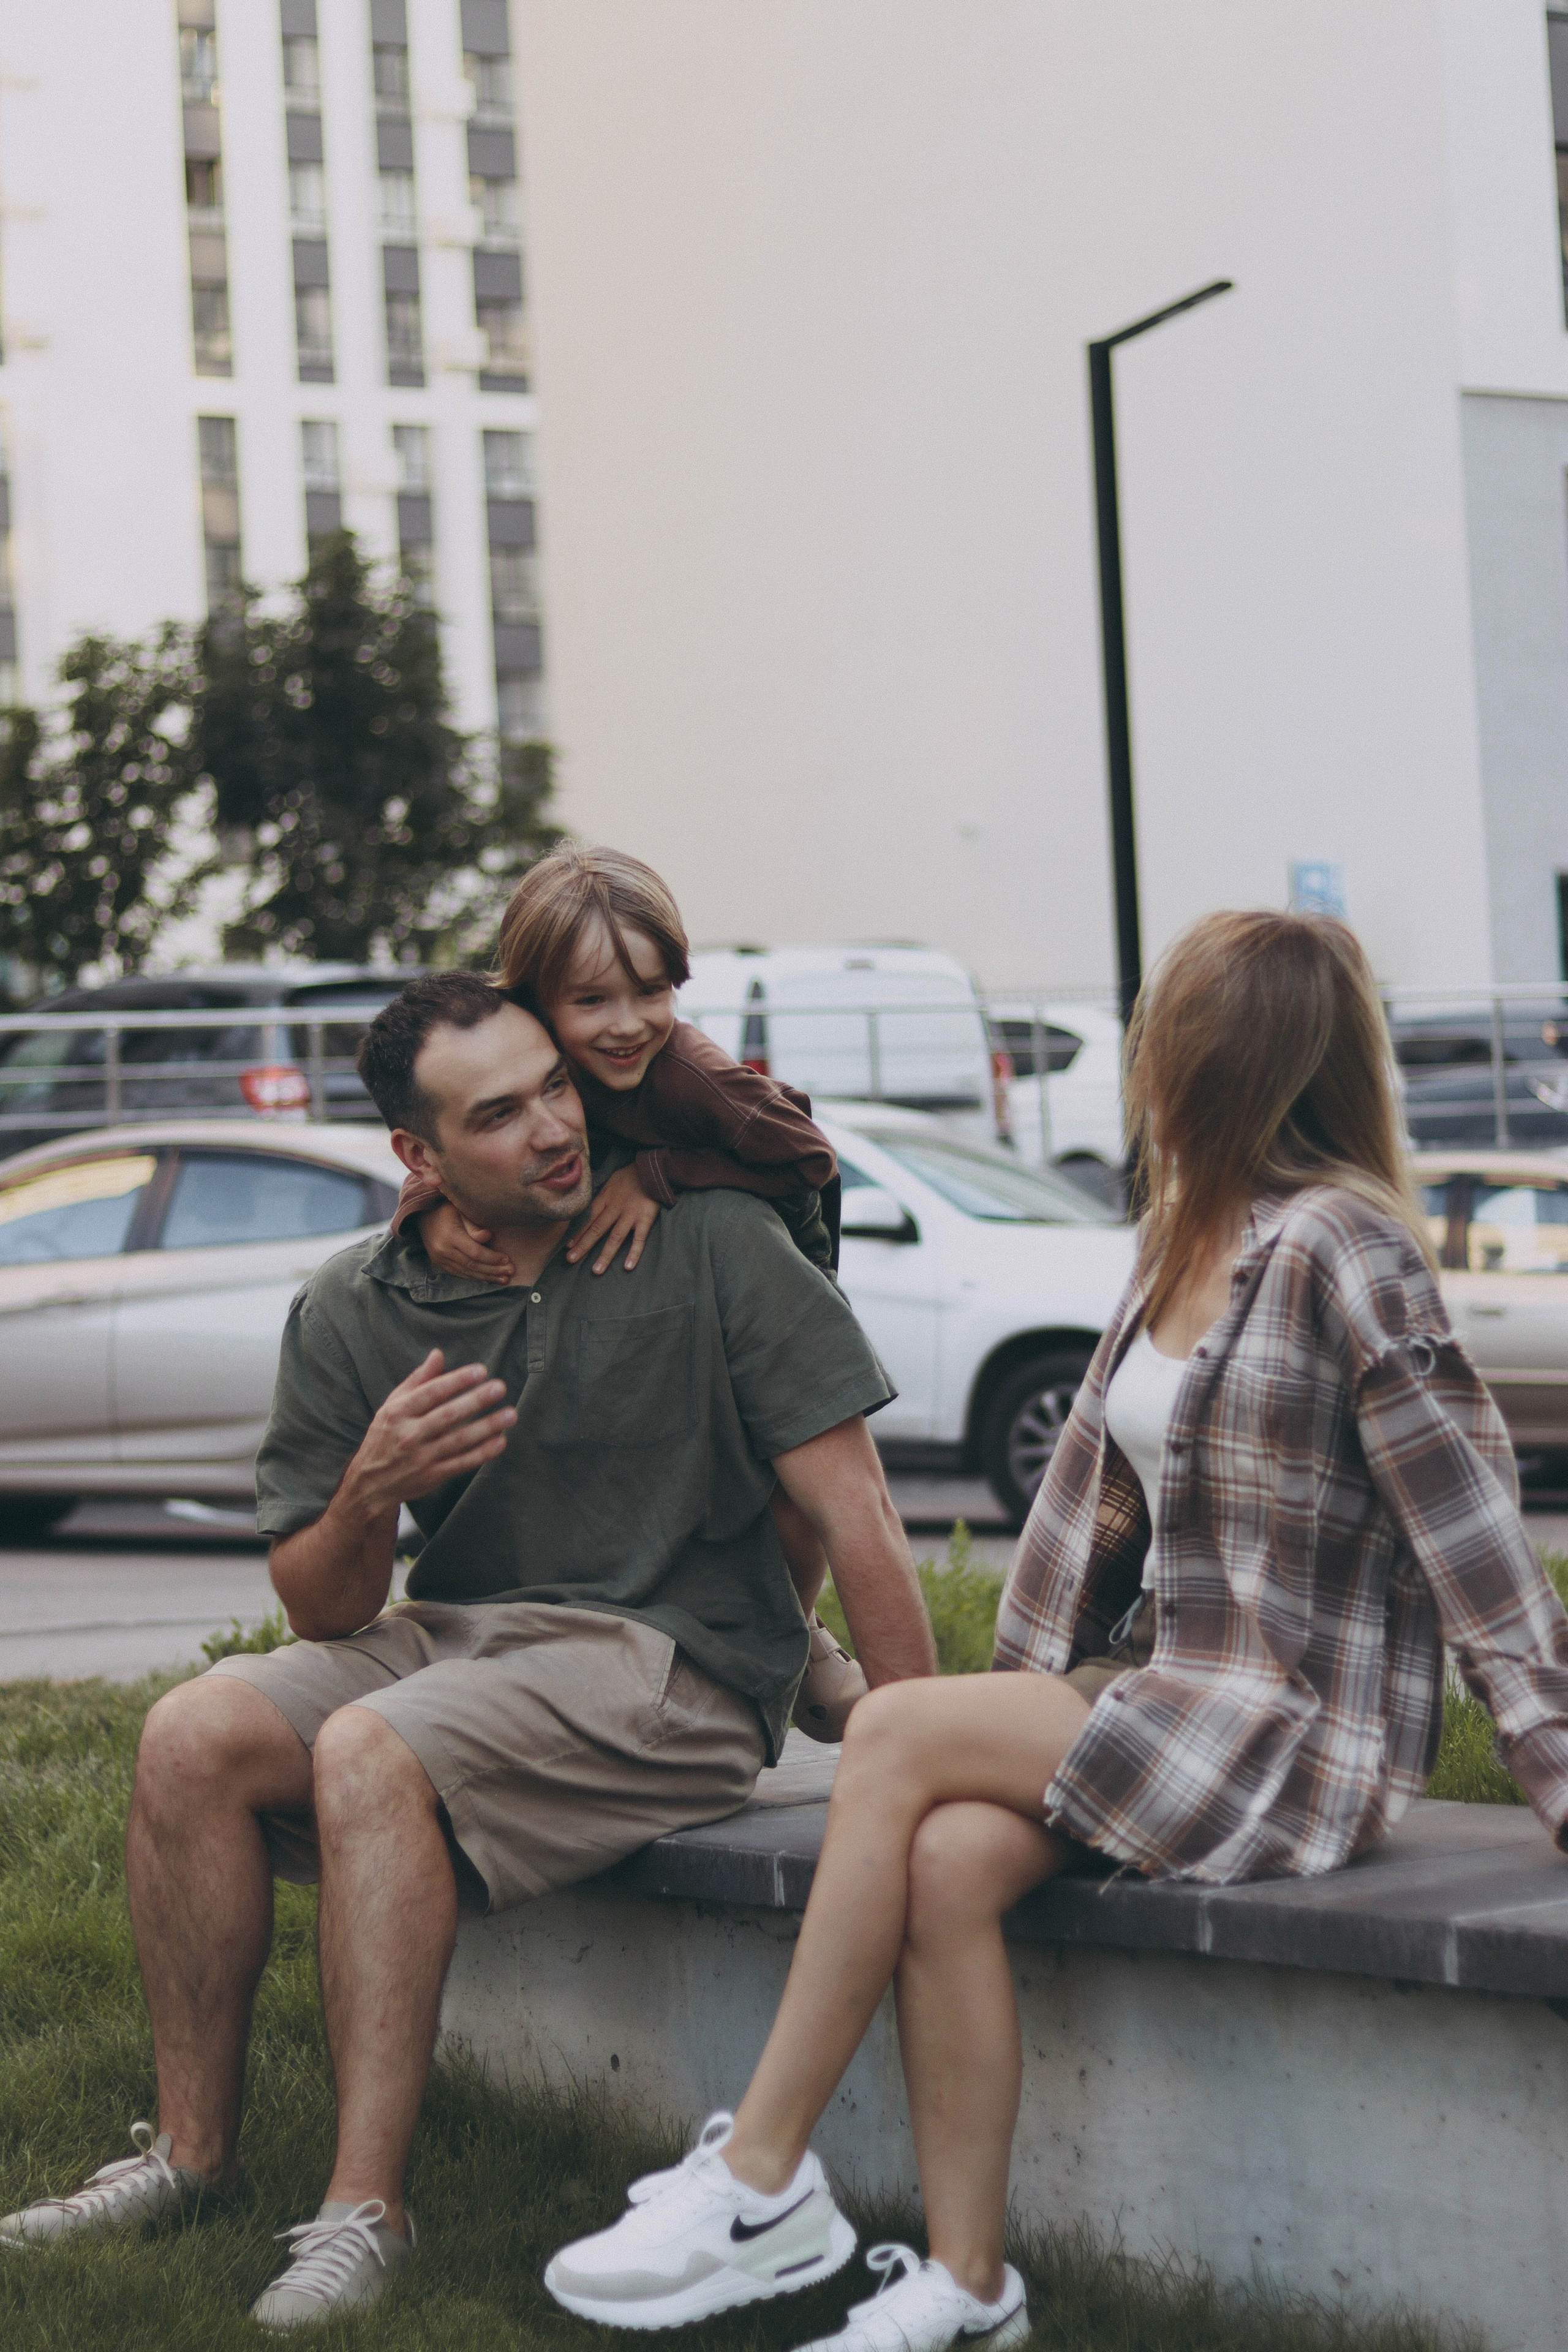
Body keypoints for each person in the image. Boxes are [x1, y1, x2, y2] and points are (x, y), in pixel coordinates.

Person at [543, 909, 1568, 2352]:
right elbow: (1088, 1518)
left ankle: (762, 2176)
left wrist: (1553, 1765)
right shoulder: (1176, 1242)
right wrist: (1012, 1713)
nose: (1145, 1062)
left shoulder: (1345, 1246)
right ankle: (970, 2289)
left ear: (1214, 1058)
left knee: (893, 1729)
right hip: (1151, 1693)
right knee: (951, 1863)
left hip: (1282, 1723)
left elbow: (1465, 1528)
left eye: (1163, 1037)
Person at [0, 974, 937, 2329]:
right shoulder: (355, 1304)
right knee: (190, 1734)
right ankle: (189, 2159)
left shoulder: (711, 1243)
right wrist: (372, 1485)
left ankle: (361, 2210)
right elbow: (322, 1608)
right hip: (465, 1636)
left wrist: (922, 1744)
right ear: (417, 1159)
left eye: (555, 1085)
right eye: (498, 1115)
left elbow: (858, 1516)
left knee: (376, 1750)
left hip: (676, 1660)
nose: (555, 1127)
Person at [396, 843, 865, 1742]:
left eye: (654, 991)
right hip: (643, 1289)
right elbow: (448, 1132)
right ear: (531, 997)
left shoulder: (690, 1074)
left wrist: (659, 1170)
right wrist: (428, 1209)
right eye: (592, 1000)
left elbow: (810, 1156)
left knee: (783, 1490)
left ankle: (789, 1636)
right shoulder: (511, 1048)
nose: (628, 1024)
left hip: (766, 1276)